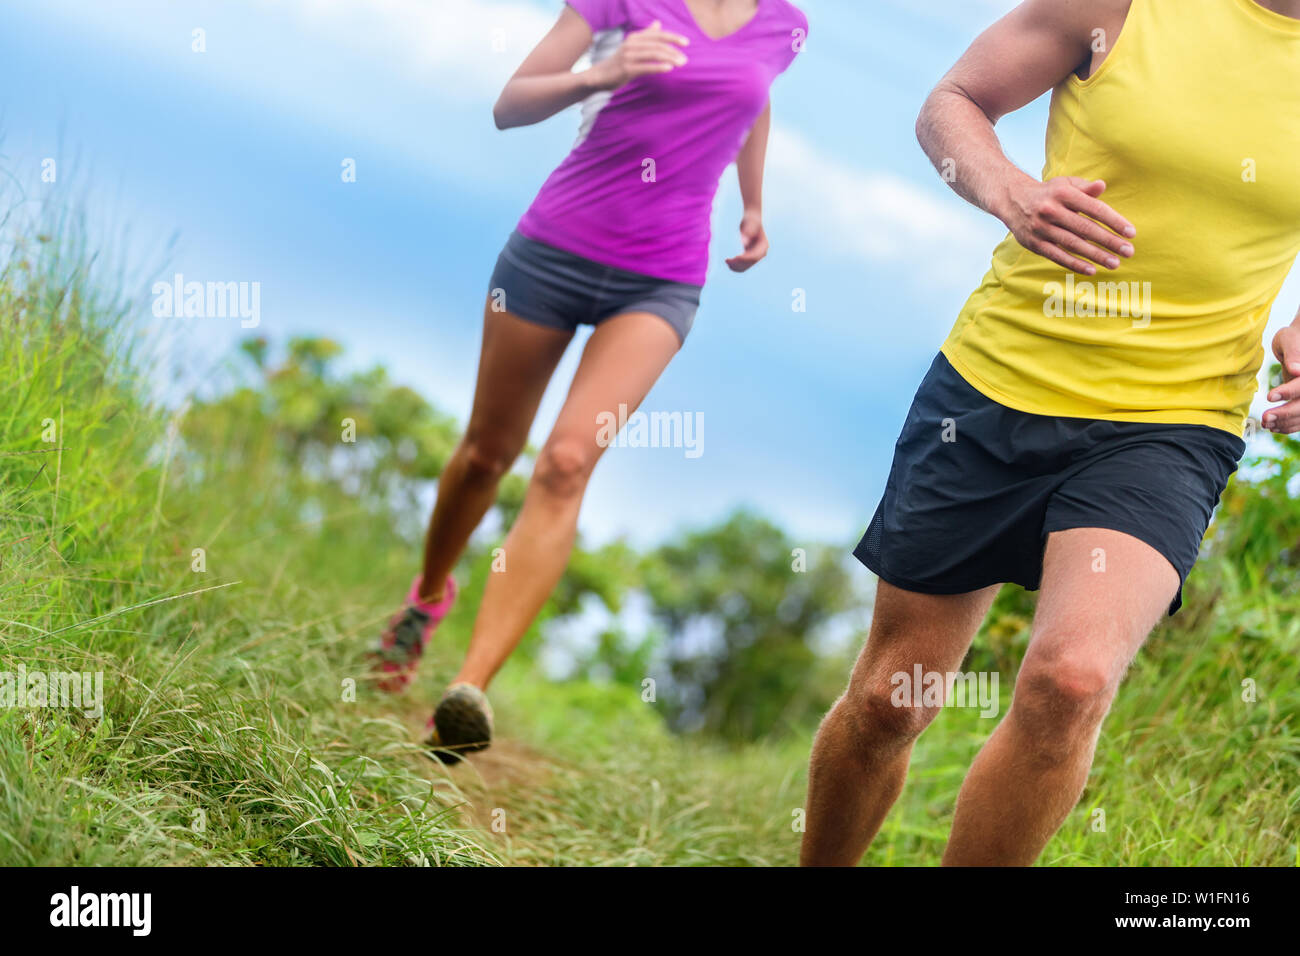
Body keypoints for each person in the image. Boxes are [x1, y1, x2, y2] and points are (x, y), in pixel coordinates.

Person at [802, 0, 1300, 865]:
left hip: (1174, 419)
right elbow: (953, 102)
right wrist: (1013, 193)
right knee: (892, 700)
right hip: (995, 386)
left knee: (1071, 682)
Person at [372, 0, 808, 761]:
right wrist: (604, 72)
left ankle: (466, 693)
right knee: (485, 455)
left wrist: (754, 202)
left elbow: (753, 93)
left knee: (568, 462)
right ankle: (427, 599)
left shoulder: (785, 24)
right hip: (552, 251)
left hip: (662, 279)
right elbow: (511, 104)